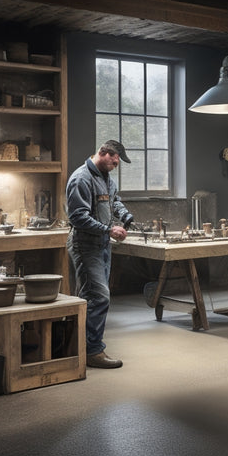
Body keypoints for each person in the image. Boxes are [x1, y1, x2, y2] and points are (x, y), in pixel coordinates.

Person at [66, 140, 134, 368]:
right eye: (114, 160)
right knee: (99, 297)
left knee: (89, 298)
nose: (116, 164)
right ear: (103, 153)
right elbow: (77, 217)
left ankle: (77, 347)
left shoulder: (106, 179)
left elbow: (115, 201)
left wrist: (125, 217)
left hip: (102, 244)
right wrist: (109, 229)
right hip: (85, 245)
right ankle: (93, 351)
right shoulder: (81, 179)